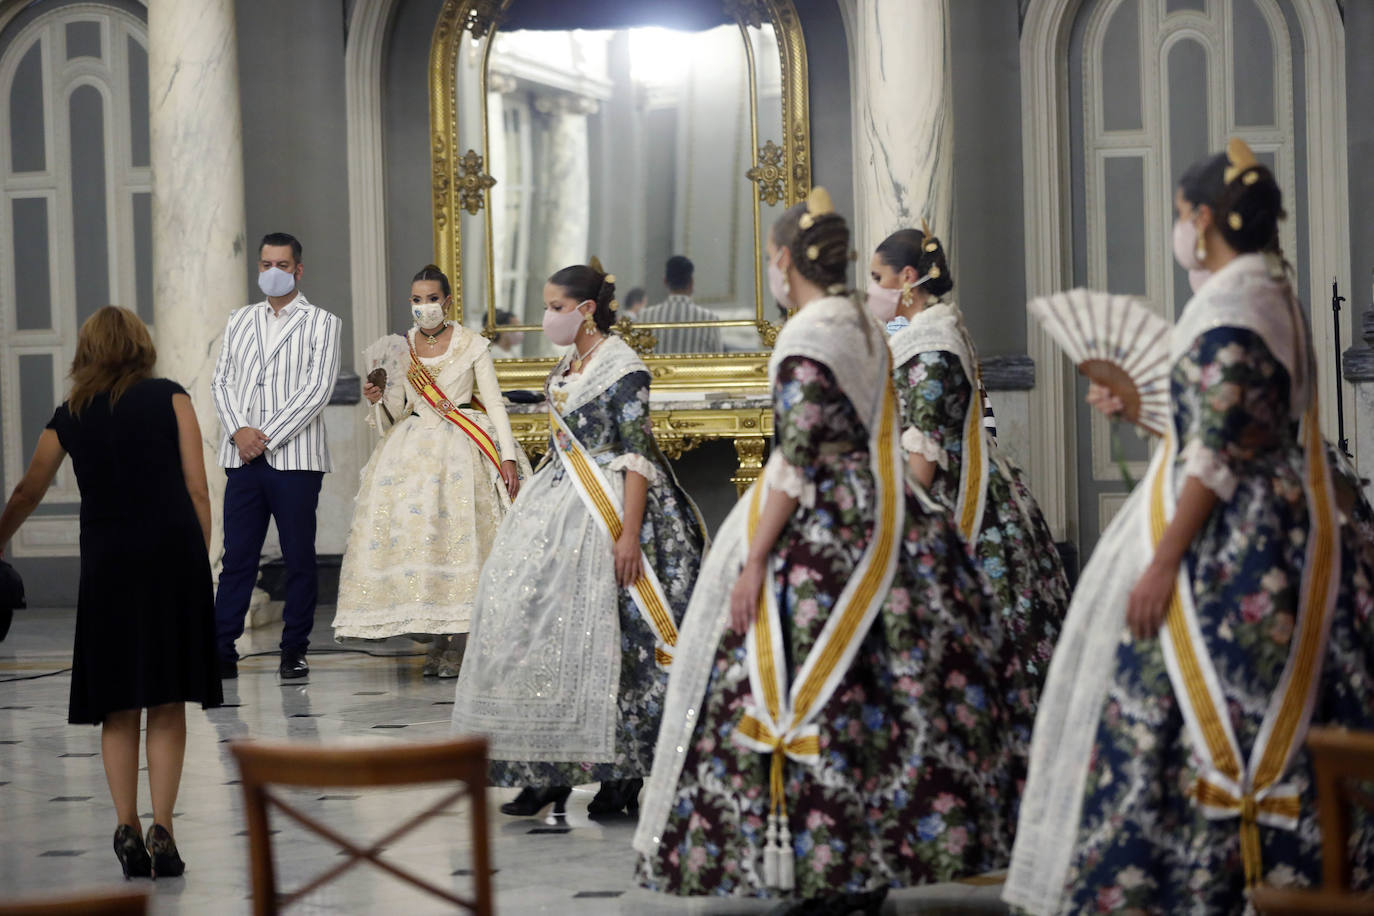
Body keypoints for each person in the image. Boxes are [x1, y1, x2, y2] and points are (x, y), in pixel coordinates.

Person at [1004, 141, 1374, 914]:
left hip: (1236, 552)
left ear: (1203, 221)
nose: (1180, 231)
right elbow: (1229, 427)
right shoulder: (1269, 291)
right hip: (1281, 517)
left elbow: (1211, 458)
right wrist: (1140, 411)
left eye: (1180, 216)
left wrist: (1163, 562)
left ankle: (1215, 883)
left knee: (1206, 708)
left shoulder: (1236, 310)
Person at [635, 189, 1014, 909]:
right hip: (894, 518)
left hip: (826, 535)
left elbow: (798, 455)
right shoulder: (865, 328)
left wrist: (753, 562)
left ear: (783, 260)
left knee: (806, 689)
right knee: (880, 694)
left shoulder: (809, 332)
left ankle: (824, 861)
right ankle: (869, 855)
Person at [451, 258, 707, 820]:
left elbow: (637, 455)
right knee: (535, 624)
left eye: (557, 308)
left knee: (624, 649)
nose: (548, 317)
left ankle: (624, 776)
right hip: (561, 500)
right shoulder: (572, 362)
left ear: (587, 310)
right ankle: (549, 769)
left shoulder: (623, 366)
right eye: (546, 306)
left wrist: (631, 536)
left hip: (615, 508)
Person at [0, 307, 222, 879]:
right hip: (171, 558)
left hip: (109, 564)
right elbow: (198, 489)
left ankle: (124, 823)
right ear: (142, 347)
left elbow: (28, 488)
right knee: (168, 702)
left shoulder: (71, 413)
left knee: (118, 704)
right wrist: (199, 560)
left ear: (87, 351)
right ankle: (163, 827)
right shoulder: (172, 398)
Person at [868, 226, 1070, 805]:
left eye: (879, 278)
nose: (874, 291)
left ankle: (986, 775)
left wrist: (901, 528)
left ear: (908, 280)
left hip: (958, 506)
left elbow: (924, 446)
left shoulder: (933, 343)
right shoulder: (921, 328)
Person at [332, 265, 528, 677]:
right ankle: (439, 640)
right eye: (417, 300)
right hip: (411, 454)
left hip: (462, 448)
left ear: (448, 301)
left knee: (462, 541)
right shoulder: (401, 348)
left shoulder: (473, 345)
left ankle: (466, 643)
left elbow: (493, 404)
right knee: (425, 542)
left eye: (431, 299)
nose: (424, 307)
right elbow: (395, 412)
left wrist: (507, 456)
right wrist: (378, 397)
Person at [210, 232, 341, 681]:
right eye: (265, 264)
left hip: (296, 460)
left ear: (298, 270)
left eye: (281, 265)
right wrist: (239, 432)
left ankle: (294, 649)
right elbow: (221, 382)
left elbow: (317, 390)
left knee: (298, 557)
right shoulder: (239, 319)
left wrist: (263, 437)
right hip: (242, 459)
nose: (272, 272)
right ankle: (221, 648)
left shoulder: (322, 322)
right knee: (237, 558)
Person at [638, 255, 723, 354]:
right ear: (691, 282)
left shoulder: (645, 317)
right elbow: (718, 362)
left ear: (665, 281)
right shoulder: (710, 319)